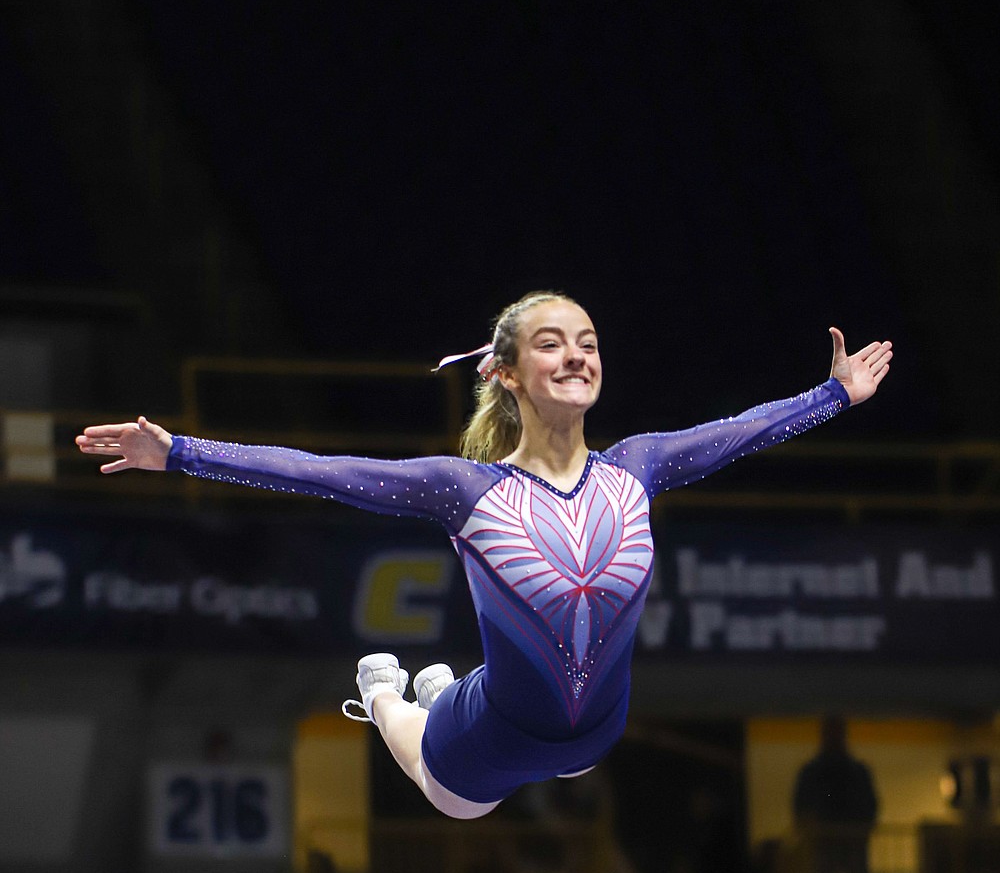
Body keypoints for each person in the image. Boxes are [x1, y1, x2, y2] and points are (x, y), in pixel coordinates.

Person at [77, 297, 891, 819]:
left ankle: (436, 689)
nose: (577, 355)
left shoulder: (638, 467)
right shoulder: (464, 491)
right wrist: (178, 451)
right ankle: (391, 694)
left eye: (589, 341)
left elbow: (738, 434)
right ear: (505, 374)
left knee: (564, 763)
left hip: (597, 733)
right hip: (492, 738)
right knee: (454, 800)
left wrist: (832, 394)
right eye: (551, 345)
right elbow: (319, 472)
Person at [793, 717, 879, 873]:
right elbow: (801, 808)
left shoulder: (856, 771)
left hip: (852, 844)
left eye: (837, 732)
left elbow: (870, 806)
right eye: (830, 732)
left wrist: (860, 831)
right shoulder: (812, 772)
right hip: (824, 845)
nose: (834, 738)